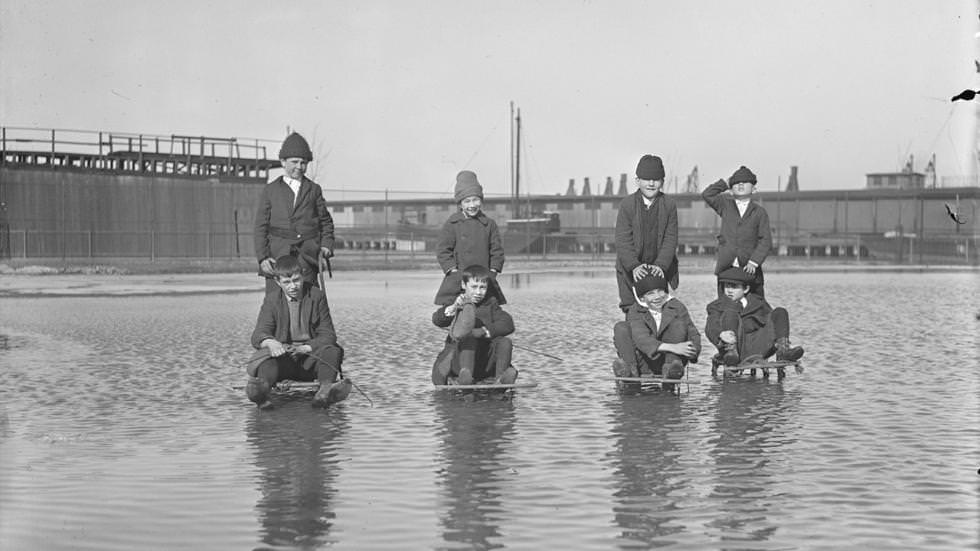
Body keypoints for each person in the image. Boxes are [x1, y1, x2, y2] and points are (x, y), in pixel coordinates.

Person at [244, 255, 350, 409]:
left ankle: (325, 390)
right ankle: (261, 392)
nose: (292, 286)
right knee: (266, 359)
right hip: (283, 360)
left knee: (333, 351)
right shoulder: (271, 300)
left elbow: (328, 335)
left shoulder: (316, 296)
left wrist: (305, 348)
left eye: (296, 280)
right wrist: (271, 342)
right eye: (286, 282)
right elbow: (259, 334)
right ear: (278, 282)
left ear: (303, 276)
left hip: (310, 358)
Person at [254, 132, 336, 293]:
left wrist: (326, 245)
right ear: (283, 162)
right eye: (294, 162)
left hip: (307, 257)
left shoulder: (314, 190)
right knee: (275, 303)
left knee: (310, 302)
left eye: (303, 162)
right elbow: (260, 227)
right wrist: (262, 258)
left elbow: (326, 222)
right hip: (277, 257)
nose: (299, 166)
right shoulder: (270, 190)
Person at [431, 265, 518, 386]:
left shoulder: (490, 305)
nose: (478, 292)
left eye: (482, 287)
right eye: (474, 287)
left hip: (484, 362)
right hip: (459, 361)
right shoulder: (456, 303)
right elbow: (437, 320)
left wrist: (484, 331)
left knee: (505, 342)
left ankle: (501, 379)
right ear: (463, 285)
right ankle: (465, 378)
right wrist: (453, 308)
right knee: (469, 339)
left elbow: (508, 323)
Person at [704, 267, 804, 372]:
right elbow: (711, 325)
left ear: (745, 289)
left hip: (758, 346)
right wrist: (720, 334)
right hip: (734, 350)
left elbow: (771, 322)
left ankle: (783, 351)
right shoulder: (716, 306)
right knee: (730, 314)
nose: (729, 290)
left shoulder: (758, 303)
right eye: (727, 286)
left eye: (734, 287)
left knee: (780, 312)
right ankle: (731, 352)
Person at [614, 154, 679, 314]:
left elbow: (670, 239)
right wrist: (634, 266)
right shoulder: (627, 204)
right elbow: (623, 240)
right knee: (631, 310)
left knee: (659, 309)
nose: (651, 183)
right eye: (646, 179)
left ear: (662, 182)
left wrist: (661, 266)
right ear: (637, 181)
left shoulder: (669, 205)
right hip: (631, 269)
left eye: (656, 179)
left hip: (659, 268)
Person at [433, 170, 506, 306]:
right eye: (467, 201)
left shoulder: (489, 224)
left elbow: (497, 251)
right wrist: (453, 271)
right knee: (448, 315)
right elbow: (443, 250)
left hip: (483, 281)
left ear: (481, 201)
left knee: (492, 316)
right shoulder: (452, 223)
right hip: (458, 280)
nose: (472, 205)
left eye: (475, 200)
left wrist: (492, 272)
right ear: (460, 204)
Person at [612, 272, 700, 384]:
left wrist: (693, 351)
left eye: (660, 291)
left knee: (678, 324)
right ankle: (630, 372)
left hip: (672, 362)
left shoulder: (677, 306)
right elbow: (641, 339)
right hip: (644, 361)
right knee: (621, 327)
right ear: (642, 298)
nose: (657, 297)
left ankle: (670, 373)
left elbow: (693, 333)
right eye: (651, 293)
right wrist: (673, 347)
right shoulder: (635, 311)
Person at [701, 166, 773, 298]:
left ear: (754, 188)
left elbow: (765, 240)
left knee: (755, 306)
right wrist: (725, 183)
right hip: (726, 267)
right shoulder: (724, 205)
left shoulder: (759, 212)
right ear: (731, 187)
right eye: (736, 182)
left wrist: (754, 262)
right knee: (725, 307)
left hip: (749, 269)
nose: (740, 184)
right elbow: (707, 194)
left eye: (745, 182)